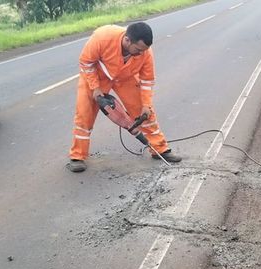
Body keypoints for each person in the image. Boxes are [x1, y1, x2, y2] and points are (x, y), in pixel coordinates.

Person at [67, 22, 181, 172]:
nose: (141, 53)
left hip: (125, 78)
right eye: (138, 50)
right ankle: (77, 156)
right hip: (97, 77)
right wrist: (95, 87)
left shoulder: (145, 52)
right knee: (84, 114)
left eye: (144, 50)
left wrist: (146, 104)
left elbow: (147, 80)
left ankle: (159, 149)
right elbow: (86, 62)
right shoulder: (102, 38)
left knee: (145, 113)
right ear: (127, 40)